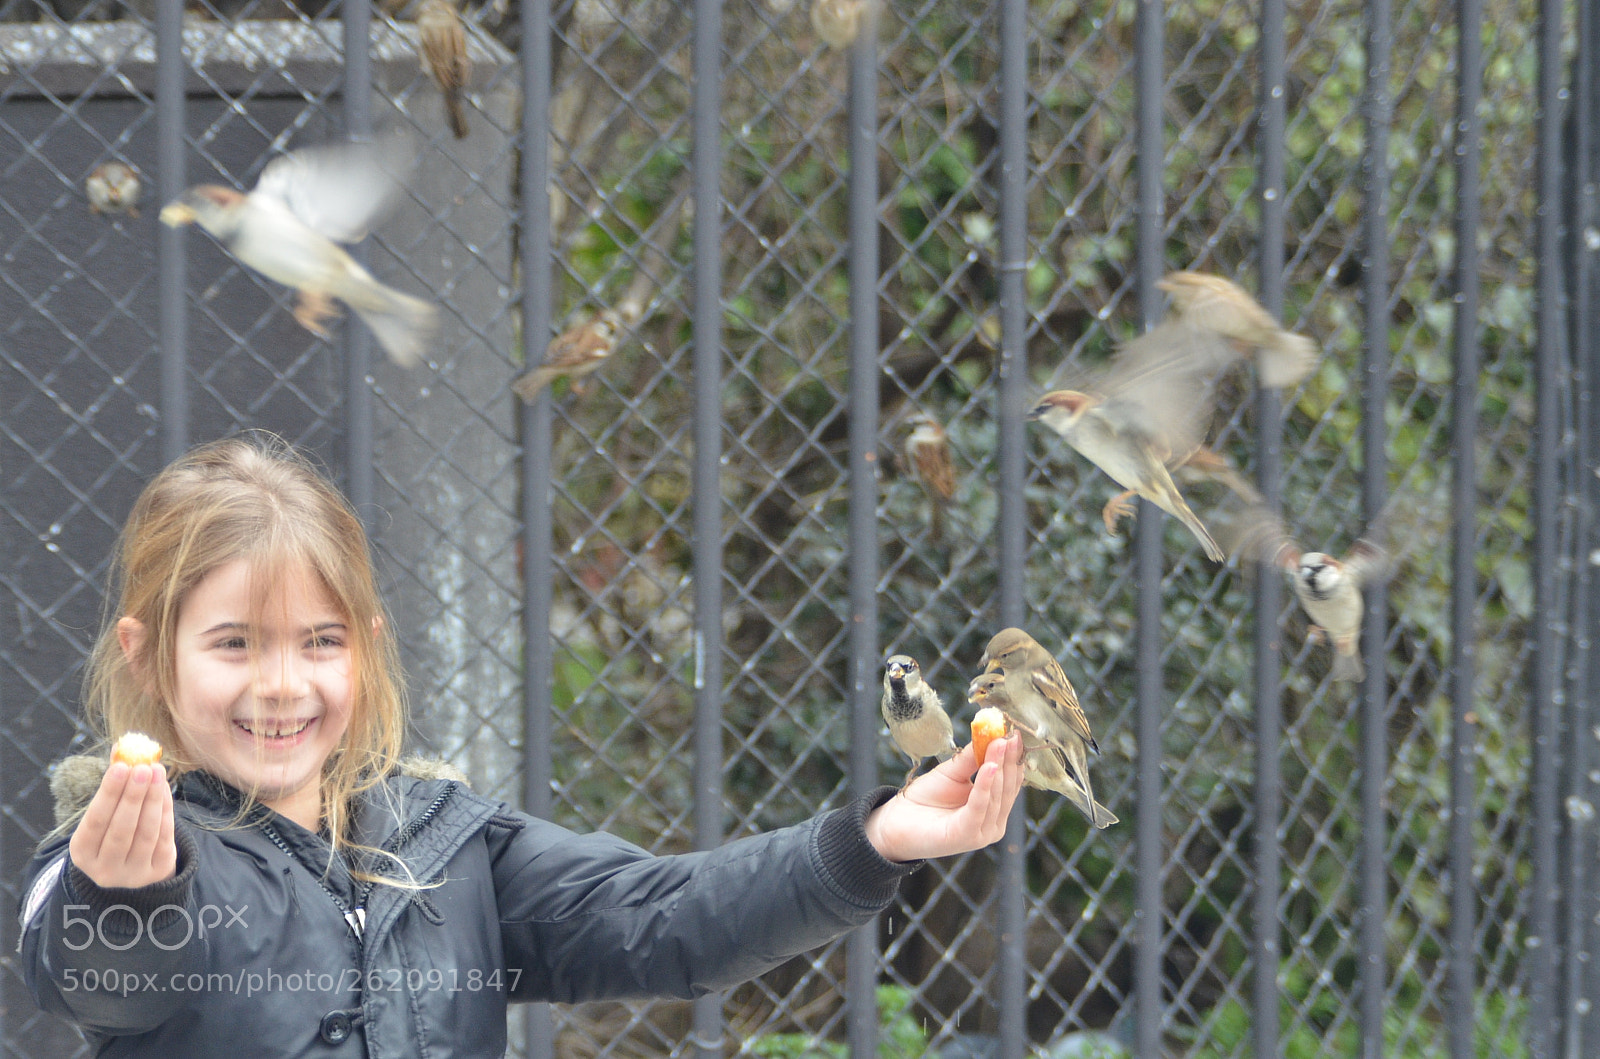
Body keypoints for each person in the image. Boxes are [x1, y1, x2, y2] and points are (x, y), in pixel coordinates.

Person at [19, 433, 1026, 1058]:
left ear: (364, 651)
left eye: (318, 642)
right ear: (149, 659)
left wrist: (874, 842)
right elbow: (99, 982)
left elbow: (667, 918)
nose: (282, 682)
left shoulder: (448, 841)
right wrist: (122, 897)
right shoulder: (118, 855)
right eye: (234, 644)